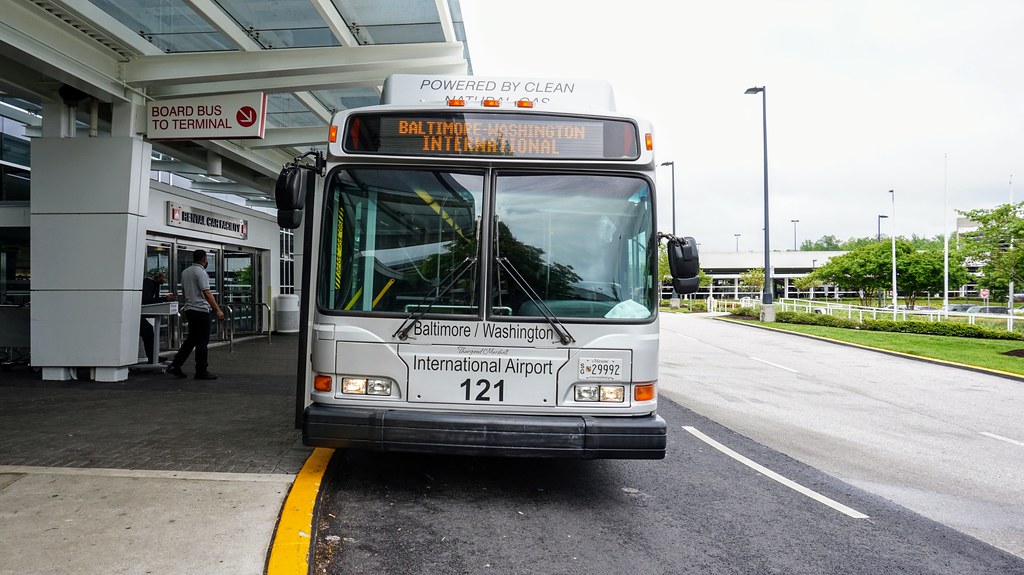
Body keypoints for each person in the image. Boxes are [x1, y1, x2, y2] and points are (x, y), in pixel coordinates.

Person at [167, 249, 224, 380]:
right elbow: (207, 293)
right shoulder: (201, 272)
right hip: (200, 310)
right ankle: (201, 370)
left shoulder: (185, 272)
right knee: (202, 342)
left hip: (189, 309)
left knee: (191, 339)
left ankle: (176, 364)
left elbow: (183, 291)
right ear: (204, 260)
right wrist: (217, 310)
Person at [139, 268, 175, 364]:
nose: (165, 279)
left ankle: (153, 357)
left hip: (138, 313)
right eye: (164, 277)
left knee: (149, 331)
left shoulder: (154, 284)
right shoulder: (148, 283)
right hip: (135, 314)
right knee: (148, 331)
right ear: (158, 276)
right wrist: (164, 299)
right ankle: (152, 357)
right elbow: (146, 300)